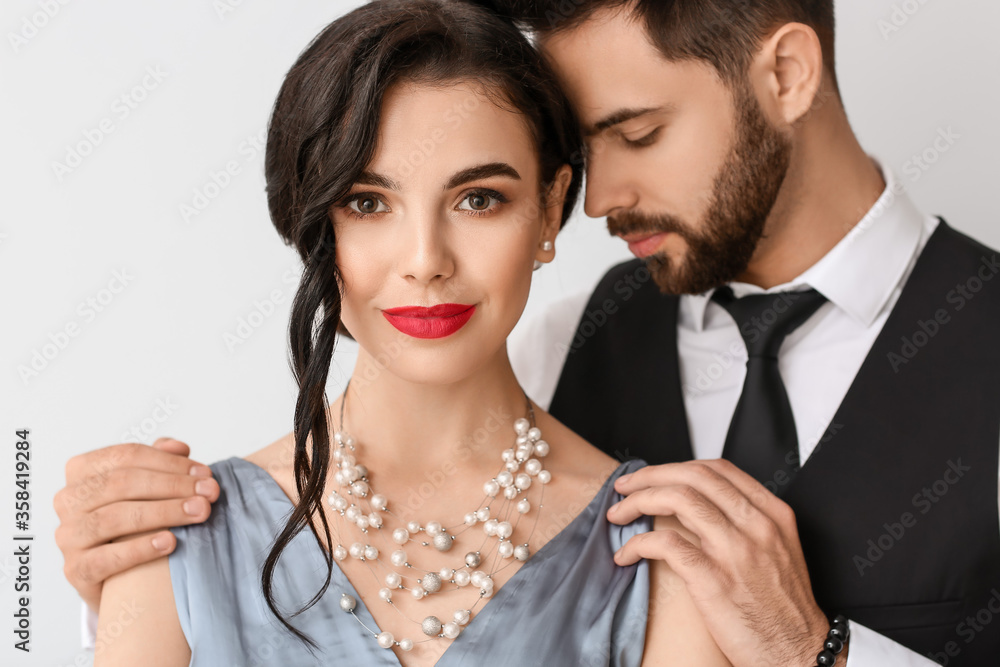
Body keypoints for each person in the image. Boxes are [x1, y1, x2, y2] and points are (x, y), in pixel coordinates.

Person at [87, 1, 740, 665]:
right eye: (368, 203)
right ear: (314, 225)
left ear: (549, 208)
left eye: (478, 198)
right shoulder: (172, 539)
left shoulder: (659, 551)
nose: (426, 259)